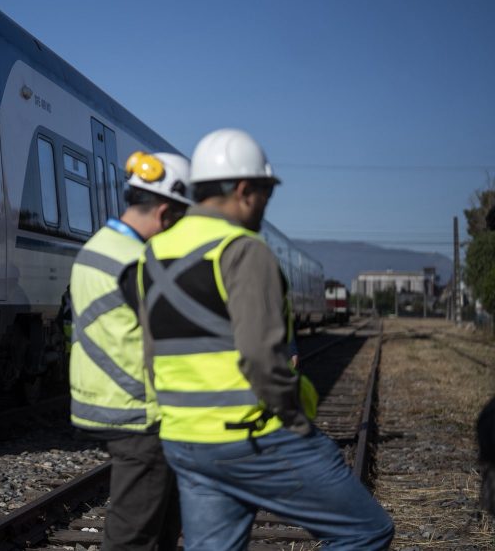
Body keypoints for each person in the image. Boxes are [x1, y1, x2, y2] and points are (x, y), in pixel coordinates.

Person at [130, 128, 393, 551]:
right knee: (366, 531)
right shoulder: (243, 249)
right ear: (244, 190)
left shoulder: (151, 254)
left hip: (185, 442)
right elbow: (261, 356)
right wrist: (293, 418)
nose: (266, 203)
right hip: (250, 436)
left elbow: (149, 352)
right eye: (266, 193)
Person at [69, 150, 191, 551]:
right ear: (165, 212)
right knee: (134, 537)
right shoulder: (136, 261)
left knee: (156, 527)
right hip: (140, 412)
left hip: (108, 398)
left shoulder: (97, 248)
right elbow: (171, 336)